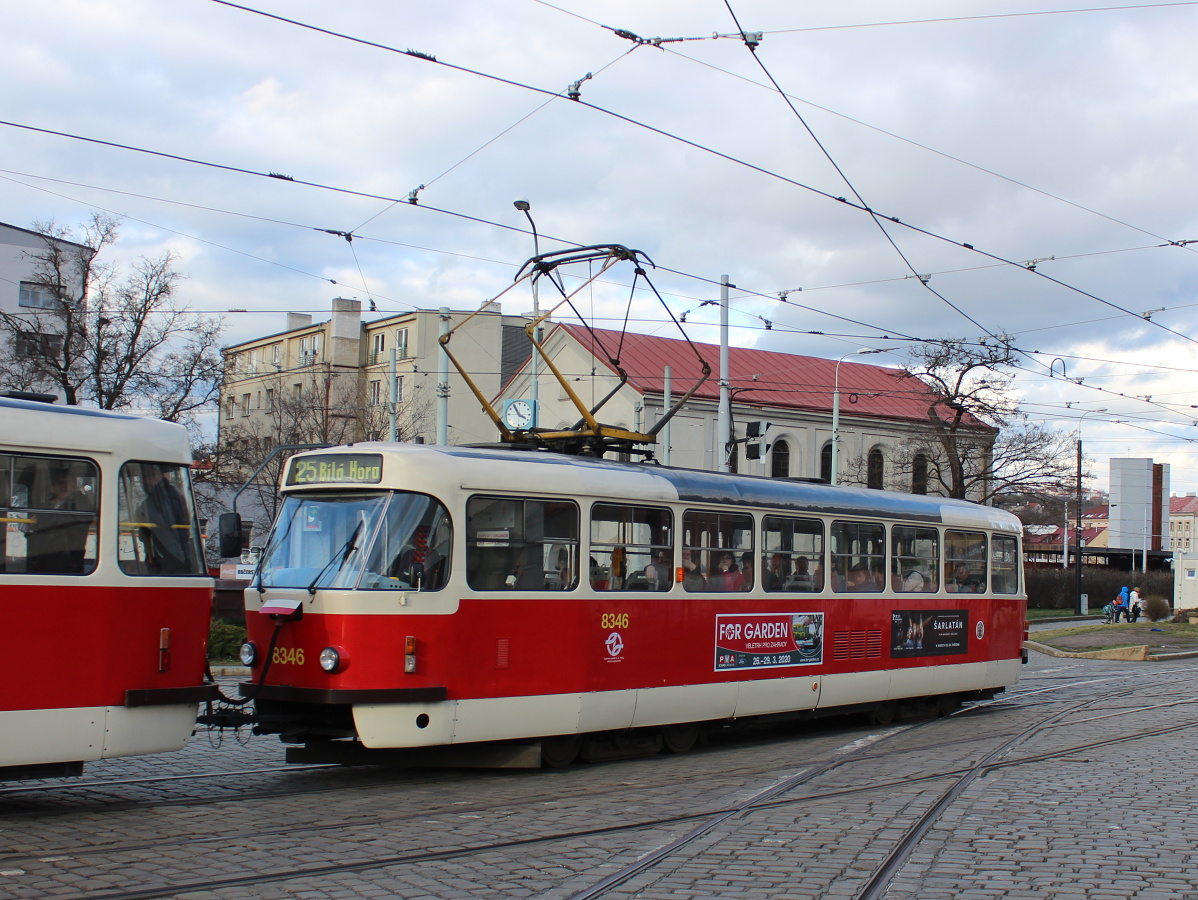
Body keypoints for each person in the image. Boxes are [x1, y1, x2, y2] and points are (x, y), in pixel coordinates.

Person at [26, 469, 93, 573]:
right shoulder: (49, 503)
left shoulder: (80, 500)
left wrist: (43, 521)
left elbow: (75, 521)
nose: (63, 486)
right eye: (60, 482)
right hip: (45, 554)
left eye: (67, 482)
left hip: (67, 556)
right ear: (53, 487)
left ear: (74, 485)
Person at [138, 466, 193, 574]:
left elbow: (162, 529)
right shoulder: (169, 495)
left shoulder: (164, 498)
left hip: (170, 562)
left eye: (146, 477)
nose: (144, 481)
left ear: (156, 475)